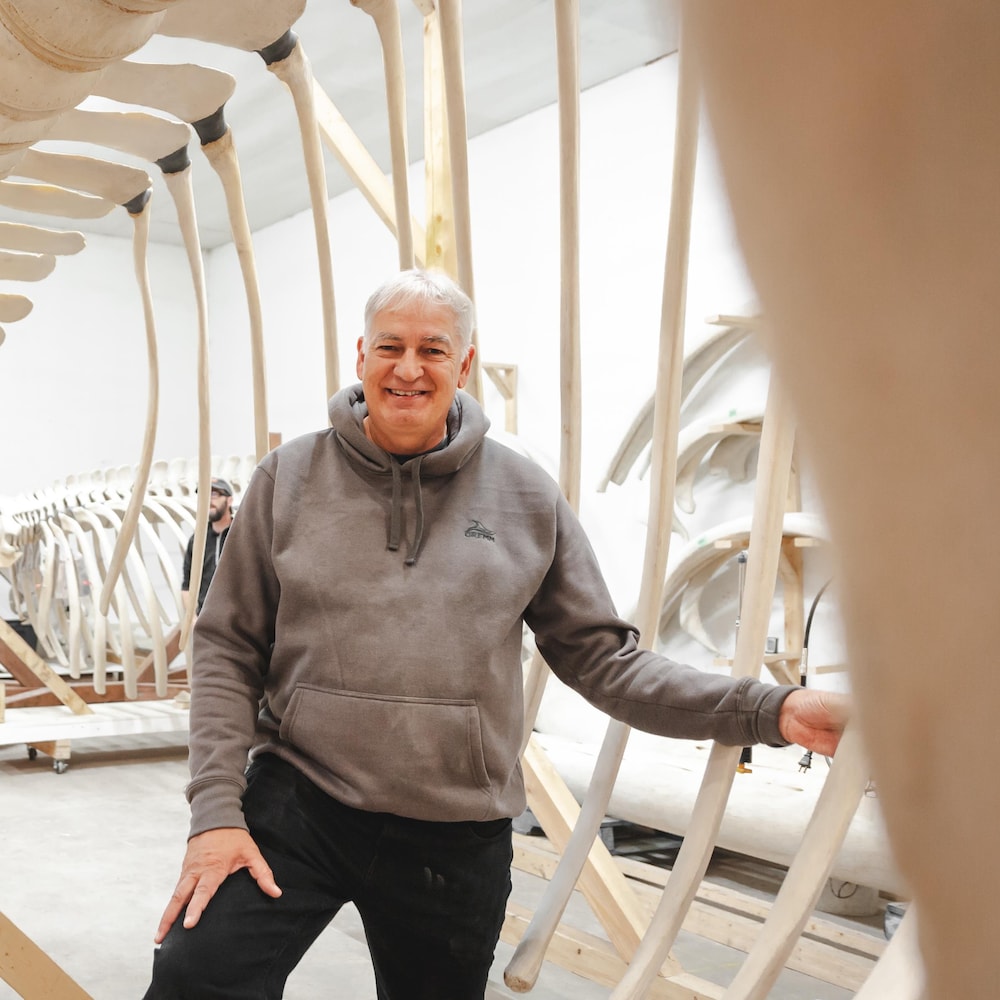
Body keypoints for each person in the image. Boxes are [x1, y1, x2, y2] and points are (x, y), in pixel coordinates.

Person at [144, 268, 849, 1000]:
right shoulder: (287, 478)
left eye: (433, 349)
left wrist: (773, 710)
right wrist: (215, 815)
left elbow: (607, 663)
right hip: (300, 801)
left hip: (452, 828)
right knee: (196, 980)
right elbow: (227, 648)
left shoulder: (524, 495)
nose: (409, 369)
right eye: (390, 346)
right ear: (361, 357)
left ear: (464, 364)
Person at [180, 478, 235, 617]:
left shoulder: (243, 534)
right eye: (205, 495)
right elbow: (187, 584)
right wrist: (192, 619)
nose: (209, 500)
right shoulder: (197, 540)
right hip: (207, 620)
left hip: (239, 623)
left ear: (229, 500)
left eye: (215, 494)